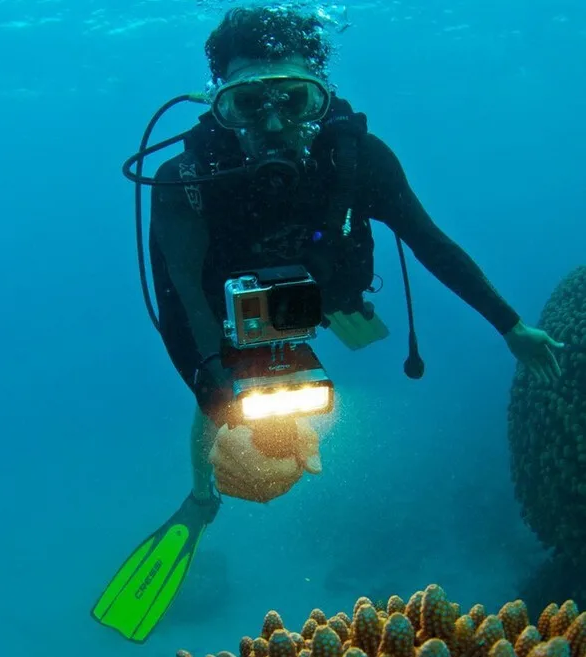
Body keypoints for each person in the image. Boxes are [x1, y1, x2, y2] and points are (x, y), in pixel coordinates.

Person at [91, 5, 564, 643]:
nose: (274, 121)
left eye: (293, 98)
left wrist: (509, 325)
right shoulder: (187, 180)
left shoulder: (356, 157)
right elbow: (178, 301)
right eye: (248, 104)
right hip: (228, 321)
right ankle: (203, 499)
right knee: (226, 395)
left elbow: (430, 242)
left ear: (322, 93)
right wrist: (214, 390)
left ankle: (277, 437)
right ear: (217, 103)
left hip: (330, 298)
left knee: (284, 385)